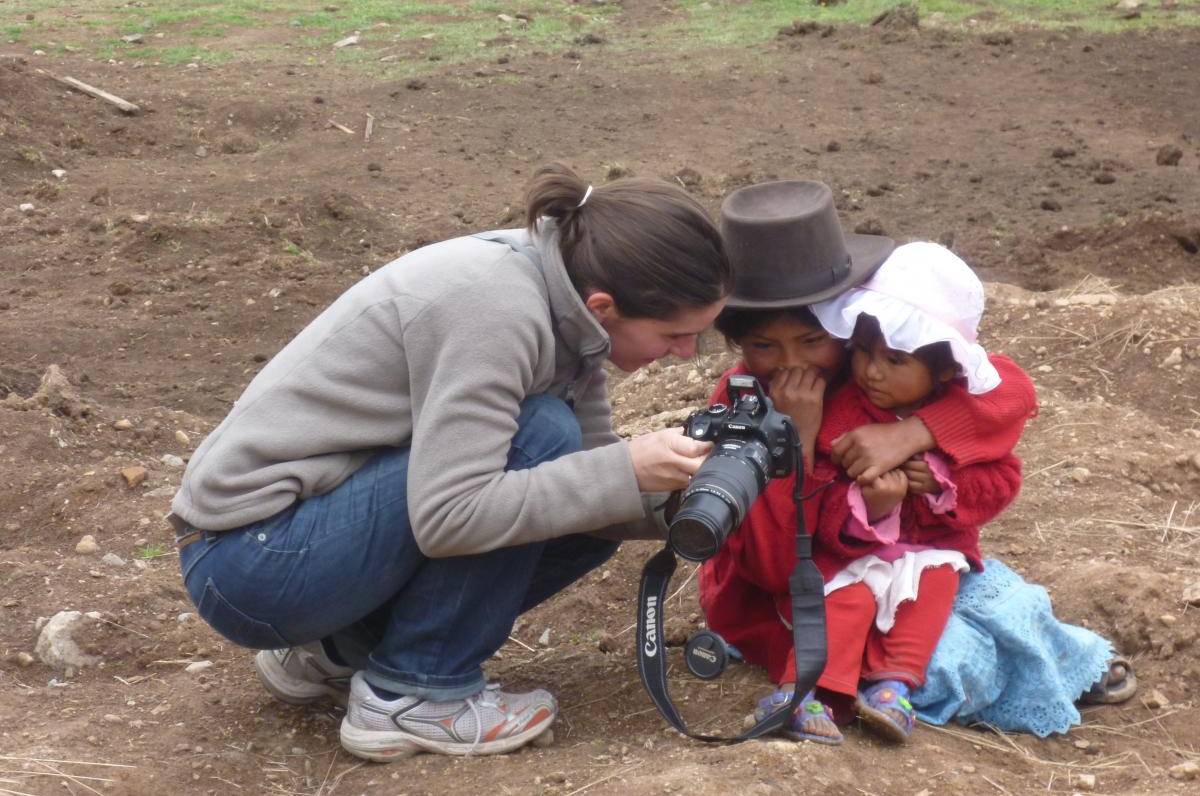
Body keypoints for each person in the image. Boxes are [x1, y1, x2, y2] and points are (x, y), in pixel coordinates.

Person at [167, 162, 732, 761]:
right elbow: (453, 516)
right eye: (675, 334)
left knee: (586, 504)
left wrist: (690, 500)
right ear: (604, 305)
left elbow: (590, 486)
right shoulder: (495, 307)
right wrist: (623, 471)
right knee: (542, 434)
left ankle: (337, 650)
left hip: (292, 544)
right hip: (251, 561)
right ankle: (415, 695)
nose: (686, 353)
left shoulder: (568, 306)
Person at [696, 182, 1038, 744]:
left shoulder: (874, 368)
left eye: (813, 338)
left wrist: (910, 434)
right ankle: (813, 694)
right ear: (738, 343)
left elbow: (1010, 389)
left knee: (957, 605)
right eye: (764, 348)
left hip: (889, 561)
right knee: (889, 632)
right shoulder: (739, 406)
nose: (792, 365)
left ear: (849, 321)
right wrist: (797, 441)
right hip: (787, 586)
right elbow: (773, 566)